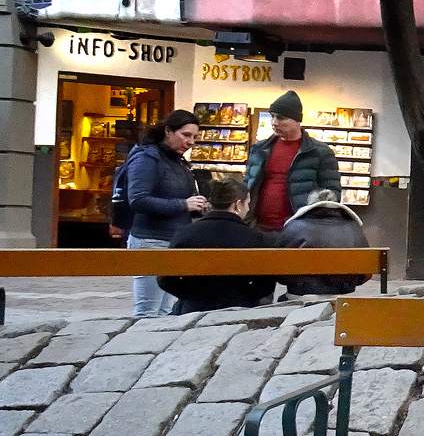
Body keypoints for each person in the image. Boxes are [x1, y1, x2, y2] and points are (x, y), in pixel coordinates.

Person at [125, 109, 209, 317]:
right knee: (148, 311)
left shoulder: (179, 162)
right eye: (186, 135)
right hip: (150, 241)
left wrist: (200, 207)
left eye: (194, 137)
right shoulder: (146, 158)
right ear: (168, 132)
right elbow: (137, 200)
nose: (190, 142)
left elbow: (182, 199)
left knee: (168, 311)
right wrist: (184, 205)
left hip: (176, 242)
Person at [158, 178, 275, 314]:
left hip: (193, 308)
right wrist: (242, 296)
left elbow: (165, 279)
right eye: (247, 203)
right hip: (239, 308)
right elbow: (266, 285)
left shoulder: (185, 233)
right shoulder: (254, 238)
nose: (248, 208)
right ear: (237, 205)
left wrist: (190, 294)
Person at [243, 90, 341, 233]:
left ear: (297, 120)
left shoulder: (320, 152)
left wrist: (314, 228)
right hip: (258, 228)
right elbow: (246, 186)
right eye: (272, 116)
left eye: (281, 118)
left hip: (300, 231)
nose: (274, 122)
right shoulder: (259, 149)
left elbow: (331, 197)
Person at [278, 188, 372, 296]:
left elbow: (279, 273)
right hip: (342, 296)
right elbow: (364, 274)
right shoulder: (354, 228)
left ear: (309, 204)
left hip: (302, 295)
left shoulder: (293, 227)